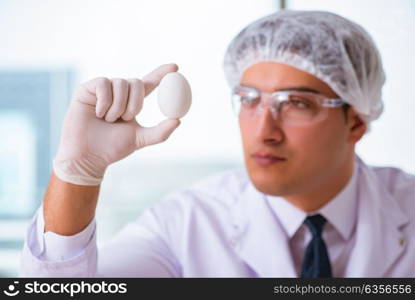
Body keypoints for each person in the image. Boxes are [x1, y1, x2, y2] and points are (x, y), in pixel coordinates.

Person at [20, 10, 415, 278]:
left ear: (356, 122)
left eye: (295, 103)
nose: (264, 129)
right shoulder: (183, 225)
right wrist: (78, 174)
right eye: (249, 99)